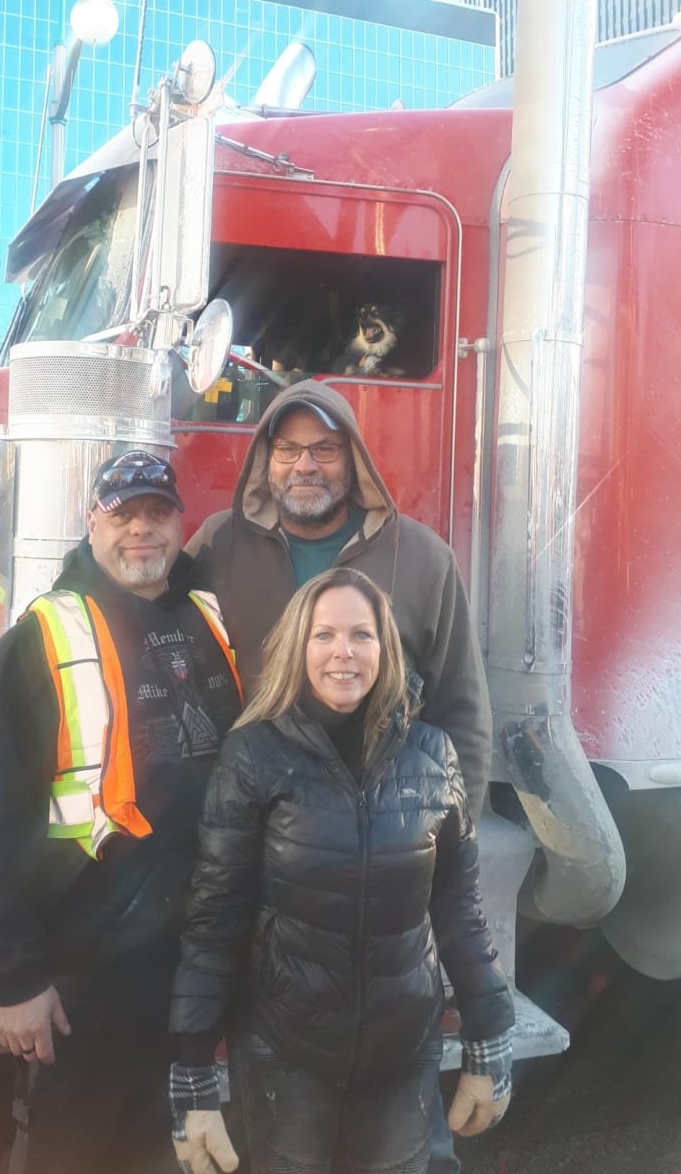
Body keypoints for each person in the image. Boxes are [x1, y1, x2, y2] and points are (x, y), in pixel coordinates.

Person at [185, 379, 494, 1171]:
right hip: (265, 866)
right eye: (288, 449)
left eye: (325, 448)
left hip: (391, 888)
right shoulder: (219, 544)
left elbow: (461, 709)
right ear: (265, 460)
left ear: (354, 460)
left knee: (404, 1141)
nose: (306, 465)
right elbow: (143, 606)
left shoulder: (421, 559)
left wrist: (436, 840)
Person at [168, 568, 515, 1174]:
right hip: (285, 1051)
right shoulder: (254, 755)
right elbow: (214, 916)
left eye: (362, 634)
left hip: (402, 1053)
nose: (343, 653)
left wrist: (491, 1033)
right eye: (324, 635)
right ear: (299, 646)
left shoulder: (434, 756)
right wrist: (193, 1069)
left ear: (386, 649)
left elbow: (459, 908)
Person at [0, 450, 243, 1174]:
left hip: (193, 962)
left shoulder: (208, 617)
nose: (141, 531)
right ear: (93, 524)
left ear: (179, 524)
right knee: (73, 1151)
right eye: (123, 515)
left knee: (167, 1148)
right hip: (87, 971)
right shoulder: (43, 636)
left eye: (157, 513)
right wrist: (13, 979)